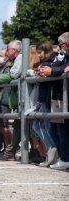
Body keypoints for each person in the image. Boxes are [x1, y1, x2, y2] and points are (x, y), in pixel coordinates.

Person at [0, 40, 23, 161]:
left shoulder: (19, 59)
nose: (7, 52)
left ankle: (14, 150)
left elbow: (13, 75)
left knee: (21, 125)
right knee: (19, 125)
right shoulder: (11, 62)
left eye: (8, 49)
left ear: (13, 50)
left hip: (17, 97)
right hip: (16, 97)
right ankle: (11, 151)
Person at [40, 32, 69, 170]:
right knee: (55, 129)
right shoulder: (64, 57)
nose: (59, 47)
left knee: (62, 130)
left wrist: (51, 71)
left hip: (64, 97)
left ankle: (65, 158)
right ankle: (64, 158)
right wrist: (50, 69)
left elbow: (61, 69)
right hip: (58, 97)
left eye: (61, 44)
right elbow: (61, 68)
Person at [32, 40, 58, 167]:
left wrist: (39, 71)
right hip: (43, 99)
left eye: (40, 52)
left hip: (47, 99)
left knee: (48, 127)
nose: (39, 55)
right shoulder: (48, 62)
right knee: (38, 125)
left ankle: (53, 149)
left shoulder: (50, 62)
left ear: (46, 51)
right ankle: (52, 149)